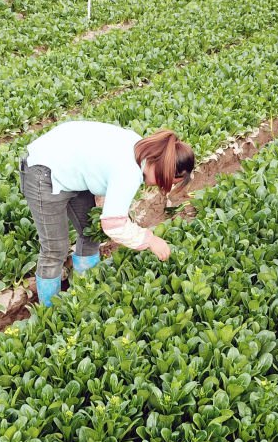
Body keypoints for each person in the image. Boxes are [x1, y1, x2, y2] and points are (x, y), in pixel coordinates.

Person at [20, 121, 194, 306]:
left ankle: (85, 294)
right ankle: (49, 312)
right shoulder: (129, 171)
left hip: (69, 167)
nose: (160, 185)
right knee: (55, 248)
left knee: (90, 232)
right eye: (165, 180)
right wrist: (150, 240)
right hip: (43, 170)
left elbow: (102, 168)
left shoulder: (140, 150)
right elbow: (114, 225)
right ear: (162, 166)